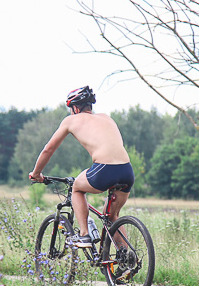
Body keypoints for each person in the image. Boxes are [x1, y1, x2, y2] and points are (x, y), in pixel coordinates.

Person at [29, 86, 134, 248]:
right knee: (112, 216)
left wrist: (37, 173)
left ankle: (84, 235)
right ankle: (126, 258)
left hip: (104, 169)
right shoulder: (107, 118)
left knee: (77, 188)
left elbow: (48, 149)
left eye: (71, 109)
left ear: (75, 108)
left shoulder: (71, 120)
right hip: (126, 170)